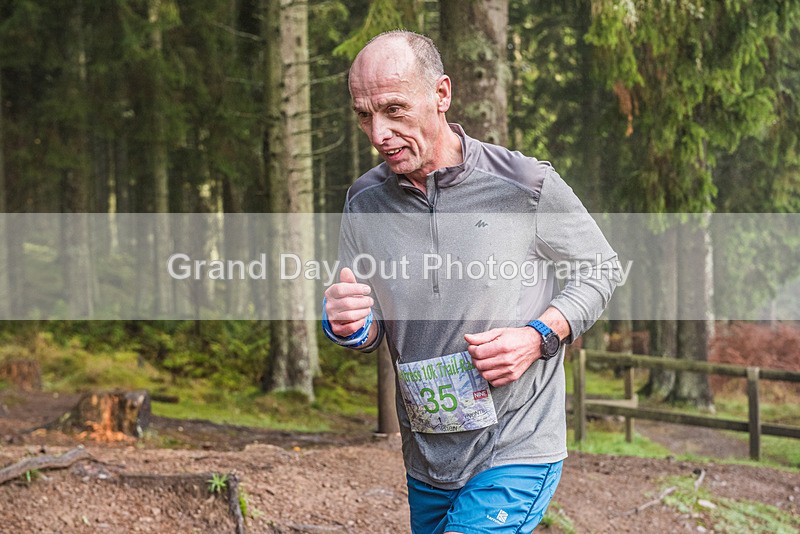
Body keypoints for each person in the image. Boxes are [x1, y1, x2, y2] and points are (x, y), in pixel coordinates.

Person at [322, 30, 621, 533]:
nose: (378, 133)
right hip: (429, 456)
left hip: (515, 445)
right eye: (364, 114)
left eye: (394, 109)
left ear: (441, 95)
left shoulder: (525, 184)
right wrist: (349, 323)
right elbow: (369, 322)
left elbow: (600, 268)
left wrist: (537, 336)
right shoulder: (365, 201)